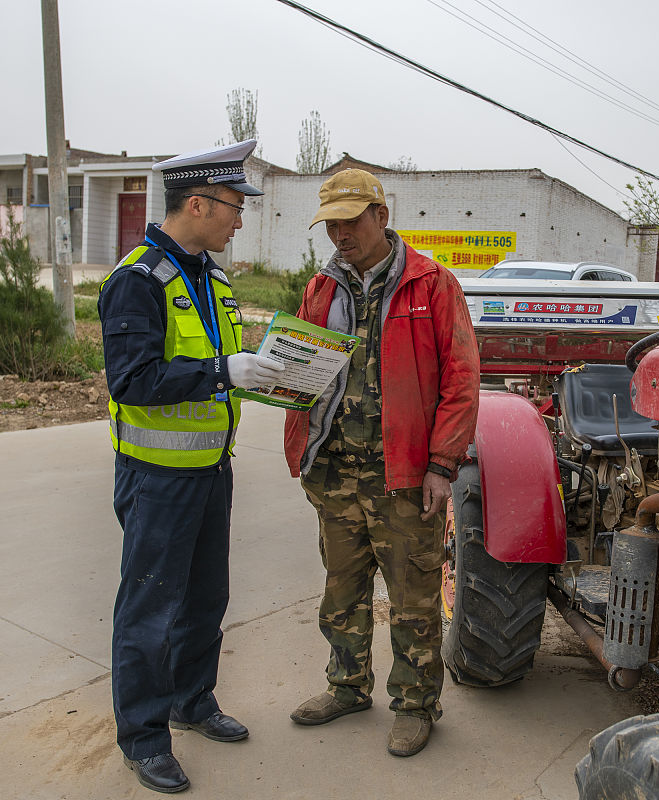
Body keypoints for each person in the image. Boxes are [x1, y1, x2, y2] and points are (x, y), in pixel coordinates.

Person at [99, 140, 284, 794]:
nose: (241, 219)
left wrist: (263, 371)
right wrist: (221, 371)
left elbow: (219, 364)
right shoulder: (138, 280)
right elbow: (133, 380)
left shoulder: (213, 279)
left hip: (210, 470)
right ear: (198, 204)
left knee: (206, 598)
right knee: (150, 610)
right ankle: (144, 738)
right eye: (235, 205)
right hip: (157, 477)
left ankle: (191, 700)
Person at [283, 169, 480, 757]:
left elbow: (462, 380)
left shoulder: (432, 285)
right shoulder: (321, 288)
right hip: (335, 469)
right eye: (331, 225)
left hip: (404, 476)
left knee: (414, 599)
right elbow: (301, 373)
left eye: (350, 221)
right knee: (341, 591)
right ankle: (346, 687)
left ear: (382, 216)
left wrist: (442, 465)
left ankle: (415, 706)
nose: (340, 234)